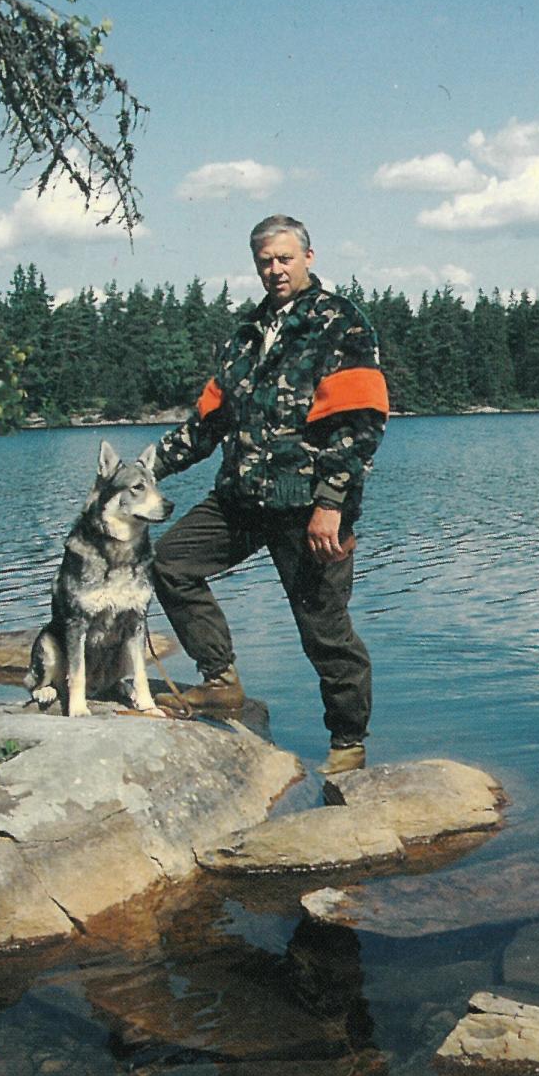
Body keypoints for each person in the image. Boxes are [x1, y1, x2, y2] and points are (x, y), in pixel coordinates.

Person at [151, 215, 389, 773]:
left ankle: (348, 745)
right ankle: (220, 680)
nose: (275, 269)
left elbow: (361, 422)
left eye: (285, 258)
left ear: (308, 256)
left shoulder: (339, 322)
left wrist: (331, 504)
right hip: (243, 496)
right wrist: (144, 469)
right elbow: (207, 424)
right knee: (171, 562)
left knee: (325, 631)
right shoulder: (247, 333)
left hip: (309, 506)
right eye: (266, 261)